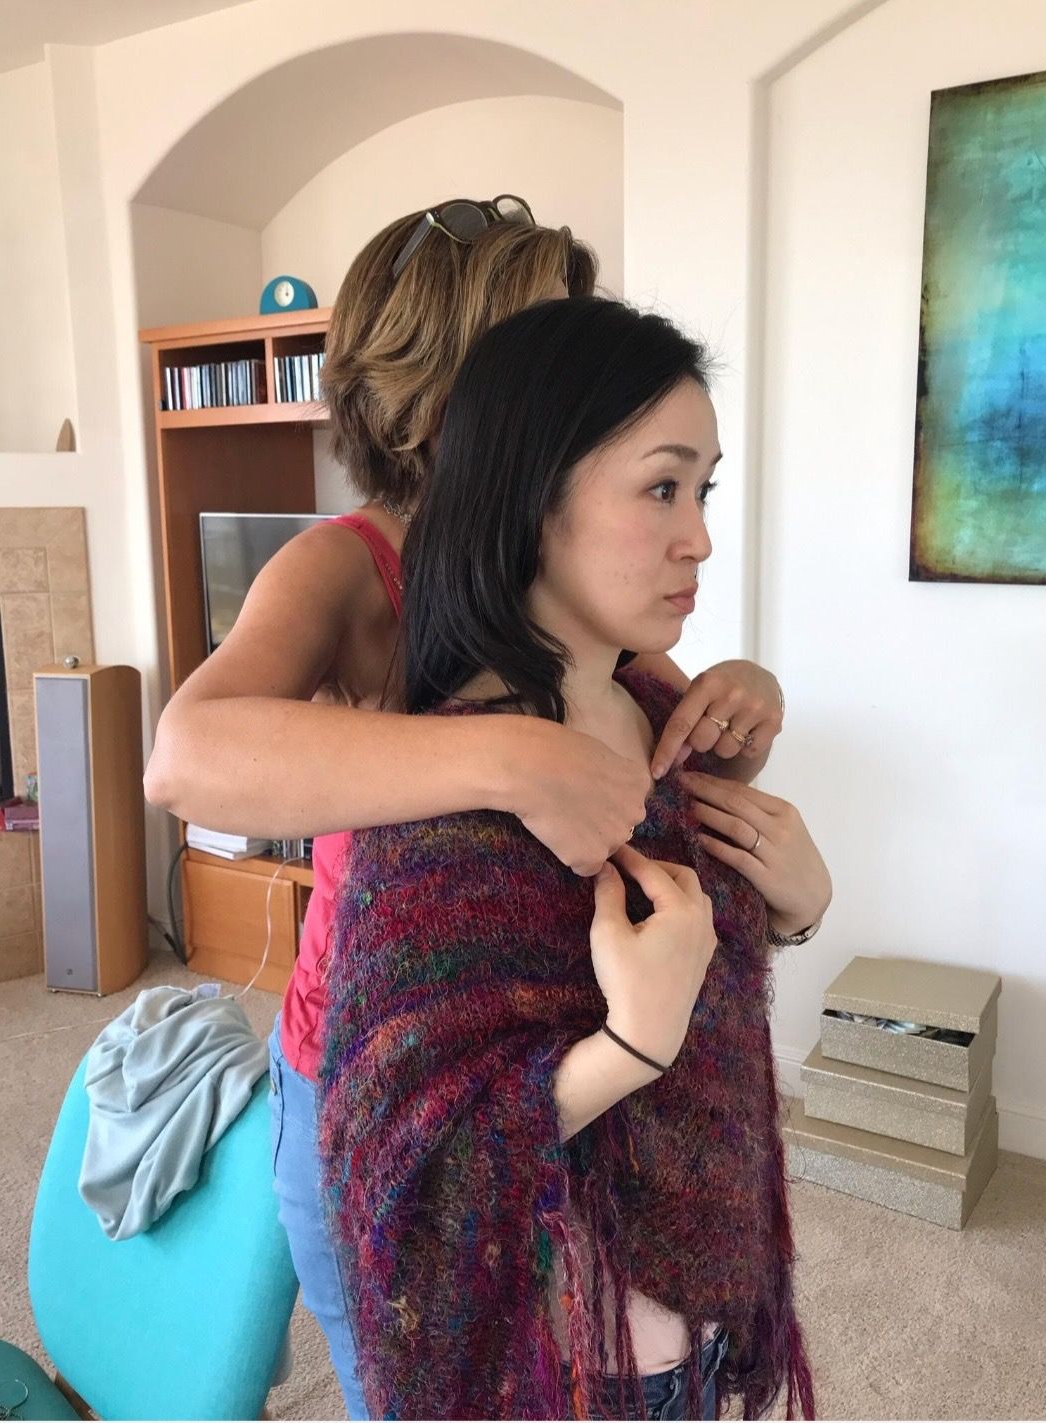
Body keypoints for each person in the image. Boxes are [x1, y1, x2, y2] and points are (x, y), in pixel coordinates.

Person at [143, 199, 810, 1419]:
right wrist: (505, 757)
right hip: (392, 1048)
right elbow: (186, 754)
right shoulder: (353, 563)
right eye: (552, 332)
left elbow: (648, 818)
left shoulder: (576, 588)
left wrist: (747, 713)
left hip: (574, 1094)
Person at [318, 295, 829, 1421]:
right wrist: (630, 1043)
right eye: (662, 487)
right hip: (576, 1372)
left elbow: (701, 957)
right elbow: (401, 1154)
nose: (698, 534)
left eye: (706, 489)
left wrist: (799, 909)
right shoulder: (459, 789)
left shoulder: (663, 709)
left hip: (698, 1308)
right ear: (532, 498)